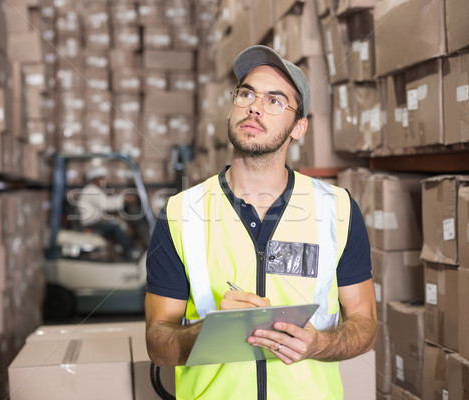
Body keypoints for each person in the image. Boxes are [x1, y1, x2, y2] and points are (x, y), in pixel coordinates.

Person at [144, 45, 377, 399]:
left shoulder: (337, 210)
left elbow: (365, 325)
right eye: (246, 93)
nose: (254, 105)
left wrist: (317, 344)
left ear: (299, 127)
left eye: (275, 100)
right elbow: (158, 343)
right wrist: (213, 331)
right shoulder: (180, 213)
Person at [76, 166, 138, 260]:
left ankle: (117, 251)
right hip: (91, 224)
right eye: (101, 178)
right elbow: (106, 204)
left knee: (116, 223)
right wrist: (124, 199)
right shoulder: (91, 190)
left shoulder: (94, 190)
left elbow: (101, 206)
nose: (104, 180)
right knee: (115, 228)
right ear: (95, 179)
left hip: (95, 221)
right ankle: (130, 252)